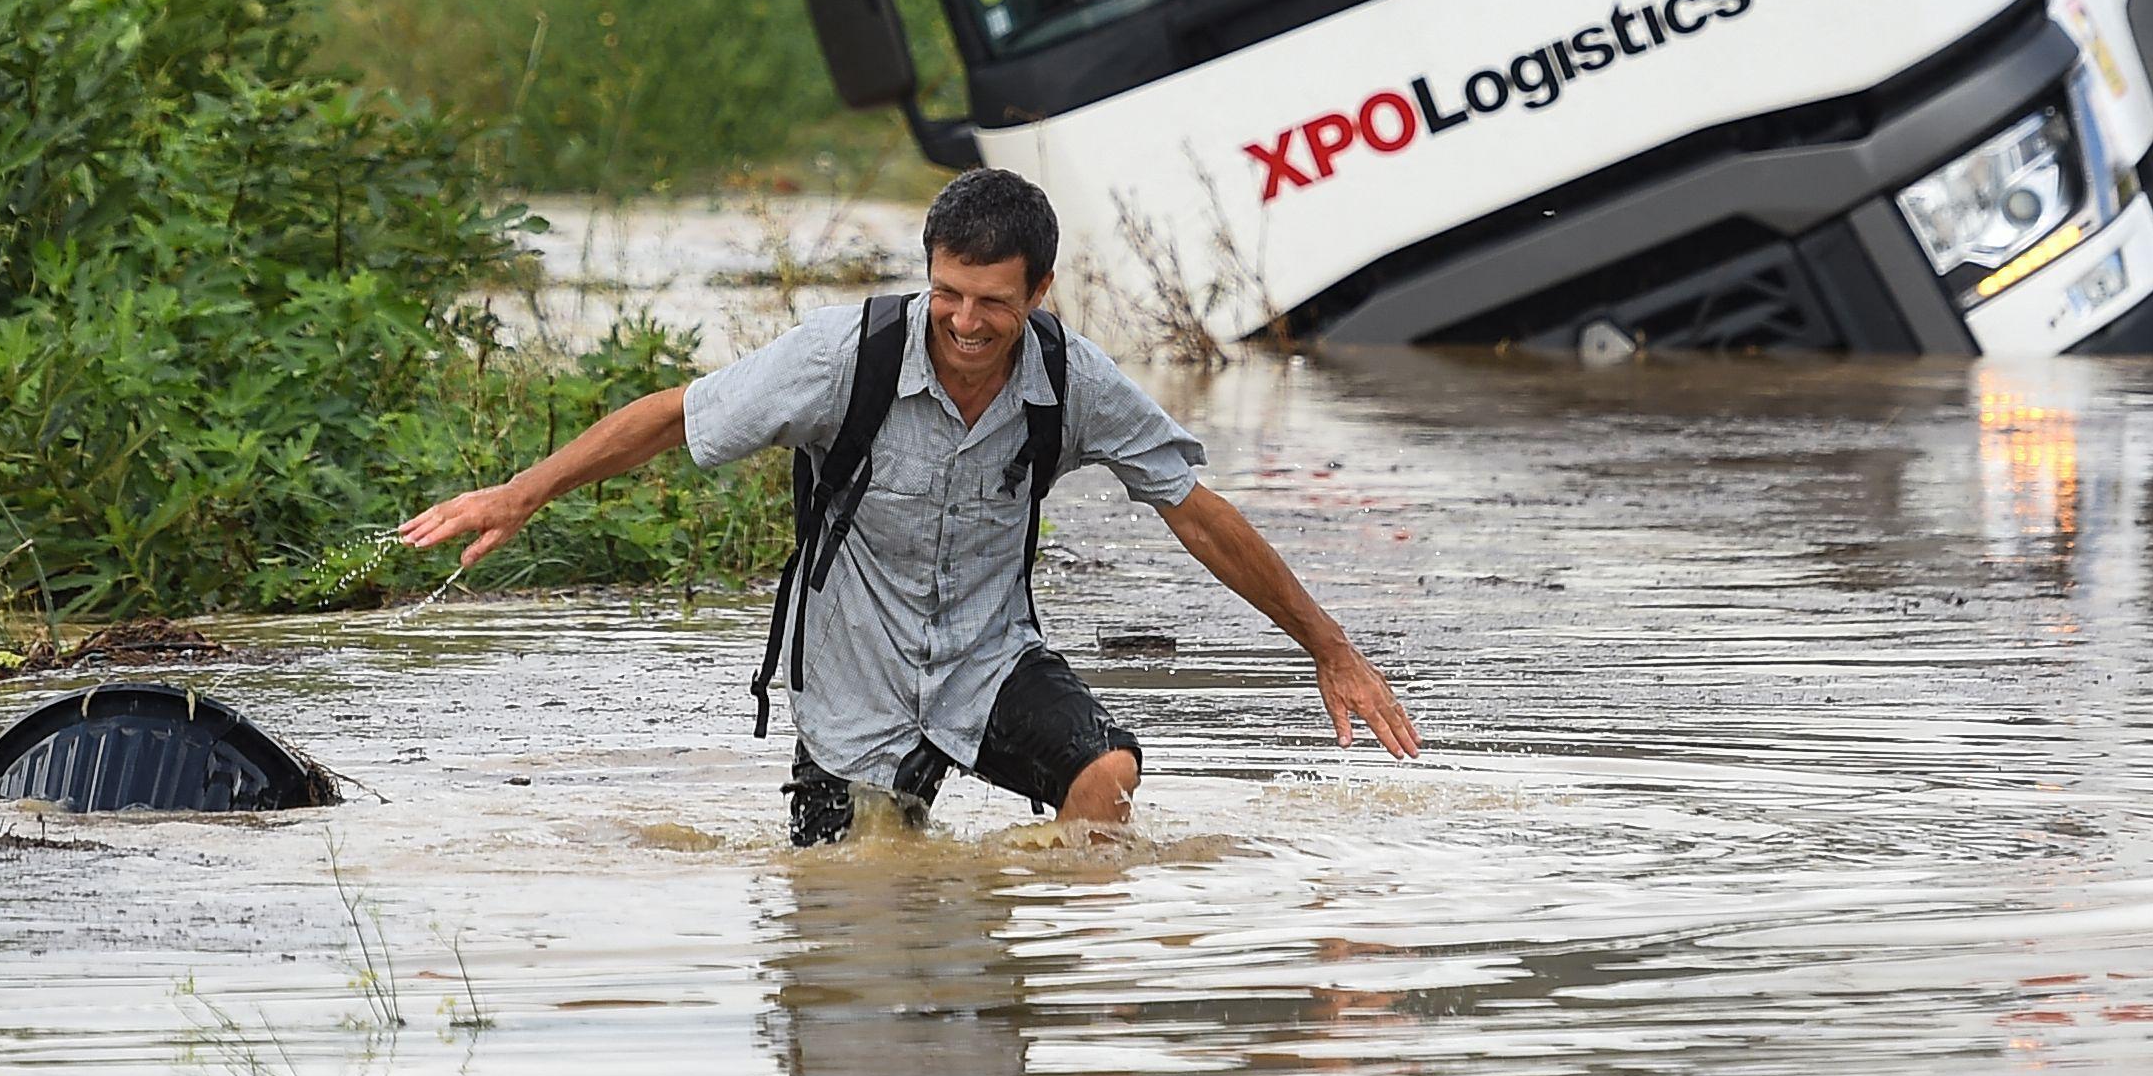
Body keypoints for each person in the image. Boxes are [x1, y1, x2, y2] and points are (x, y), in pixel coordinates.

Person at [397, 167, 1417, 842]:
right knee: (854, 906)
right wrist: (521, 495)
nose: (966, 323)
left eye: (994, 302)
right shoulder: (845, 357)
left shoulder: (1074, 382)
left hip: (988, 656)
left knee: (1104, 776)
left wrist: (1326, 646)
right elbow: (676, 416)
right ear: (927, 273)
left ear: (1041, 291)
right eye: (948, 293)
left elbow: (1194, 509)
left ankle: (1036, 994)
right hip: (852, 687)